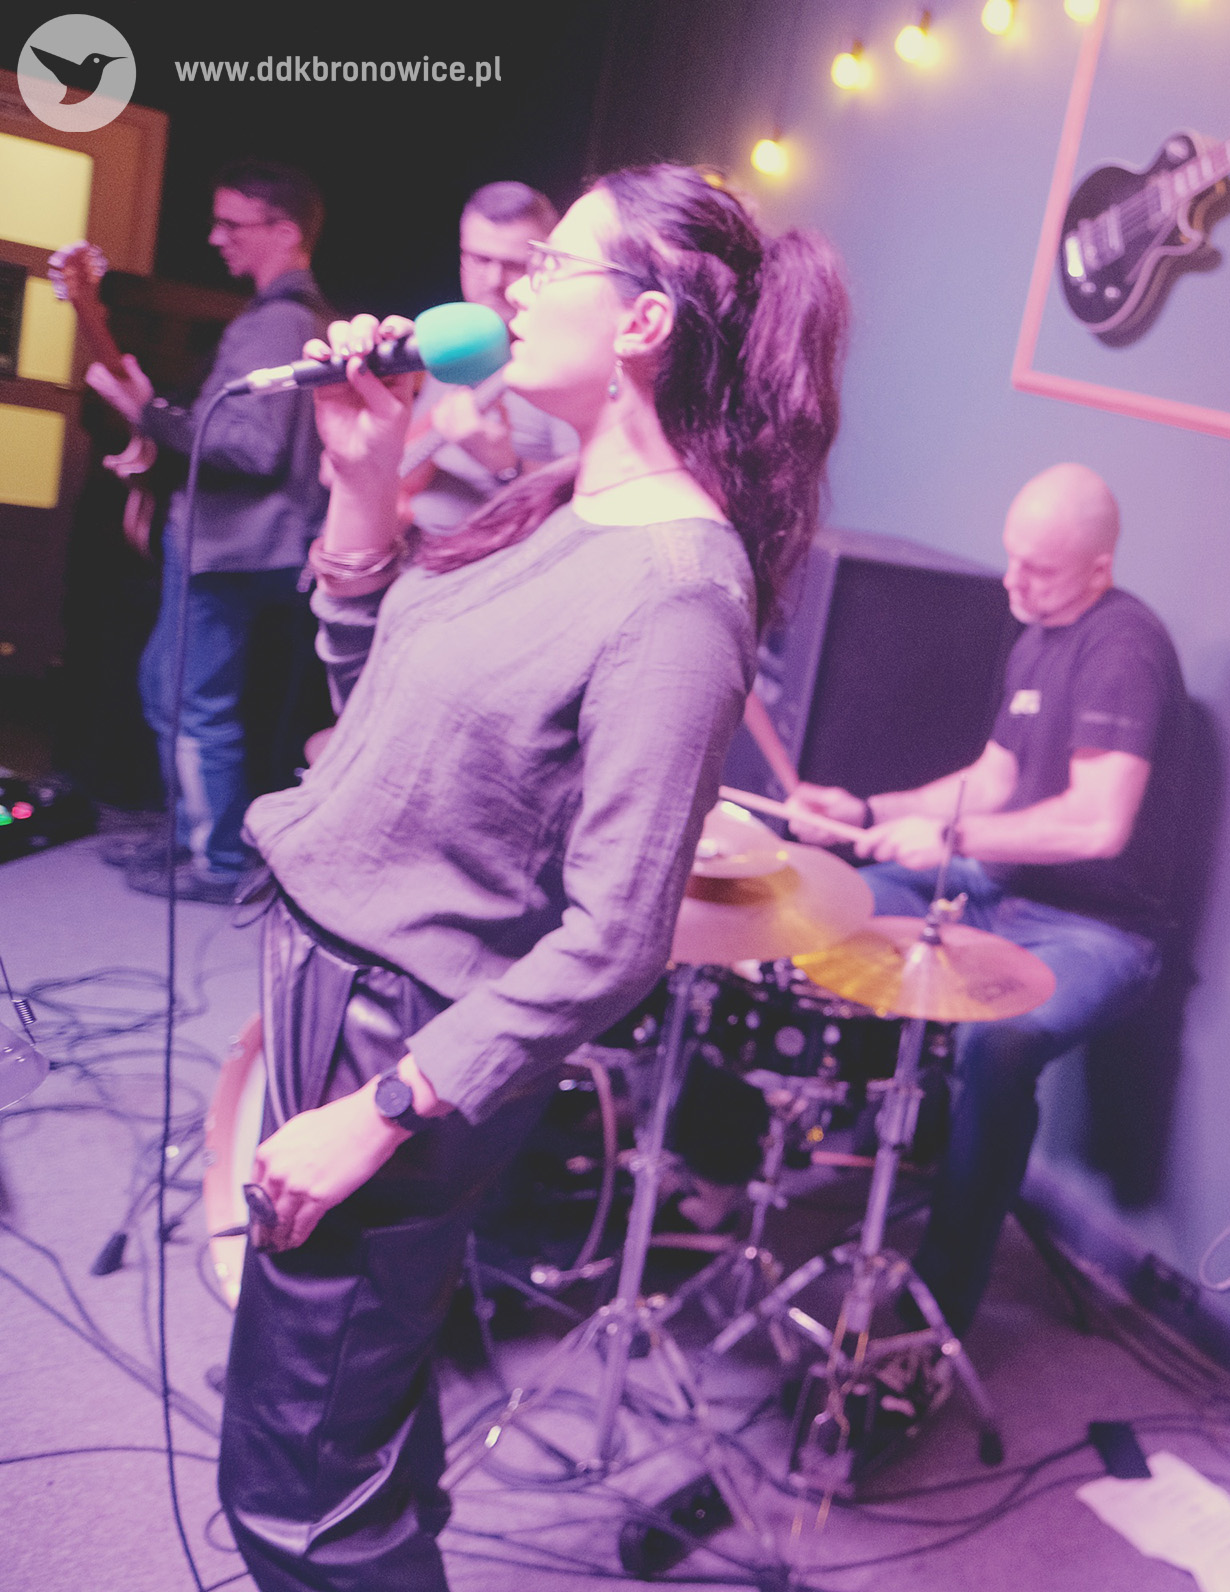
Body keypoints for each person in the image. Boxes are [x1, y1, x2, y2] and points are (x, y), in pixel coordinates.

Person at [220, 164, 848, 1591]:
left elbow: (616, 939)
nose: (511, 287)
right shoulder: (552, 501)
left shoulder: (680, 590)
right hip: (331, 984)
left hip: (397, 1037)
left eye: (552, 264)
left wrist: (380, 1110)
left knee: (297, 1504)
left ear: (642, 324)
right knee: (356, 1441)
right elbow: (377, 713)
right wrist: (363, 484)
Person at [786, 462, 1186, 1336]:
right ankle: (774, 1160)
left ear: (1099, 569)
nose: (1013, 582)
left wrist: (956, 842)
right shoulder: (1038, 635)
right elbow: (992, 779)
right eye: (1012, 560)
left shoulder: (1124, 651)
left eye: (1037, 570)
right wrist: (867, 811)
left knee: (998, 1047)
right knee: (824, 901)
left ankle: (936, 1305)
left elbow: (1098, 824)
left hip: (1097, 932)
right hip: (1000, 890)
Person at [85, 158, 333, 903]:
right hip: (241, 545)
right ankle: (195, 837)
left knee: (189, 702)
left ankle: (217, 860)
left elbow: (250, 448)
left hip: (232, 549)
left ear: (284, 232)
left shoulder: (279, 321)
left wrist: (146, 412)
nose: (215, 237)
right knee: (172, 690)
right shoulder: (291, 319)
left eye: (232, 223)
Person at [399, 181, 580, 535]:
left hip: (491, 558)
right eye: (481, 259)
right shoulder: (458, 337)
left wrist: (506, 465)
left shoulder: (565, 361)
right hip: (415, 547)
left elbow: (582, 505)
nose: (495, 280)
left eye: (514, 265)